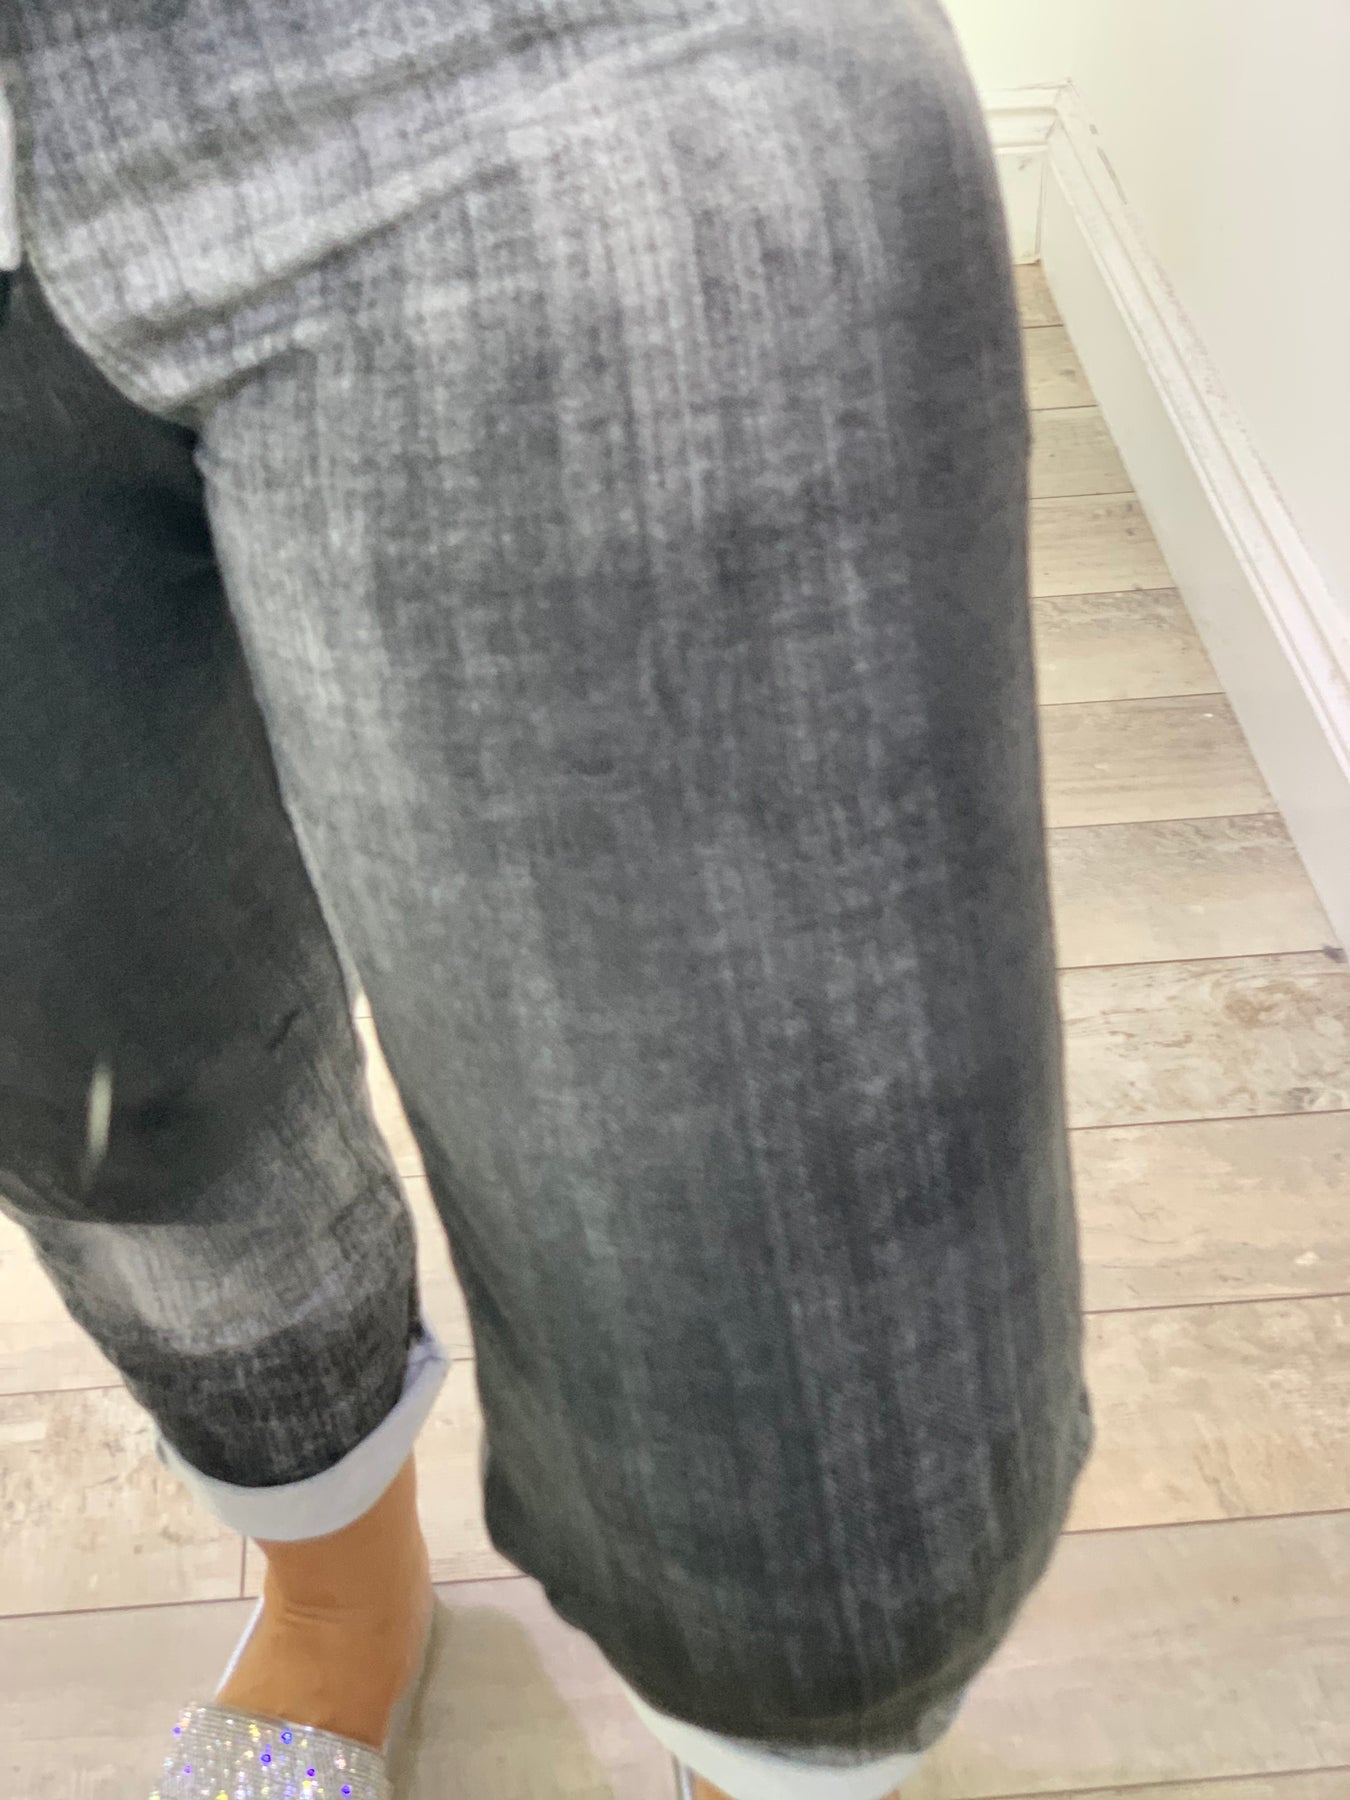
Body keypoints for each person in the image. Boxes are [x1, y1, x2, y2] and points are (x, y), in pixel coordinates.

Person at [0, 1, 1090, 1796]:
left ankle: (778, 1766)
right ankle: (341, 1603)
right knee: (109, 1098)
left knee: (759, 1205)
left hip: (535, 59)